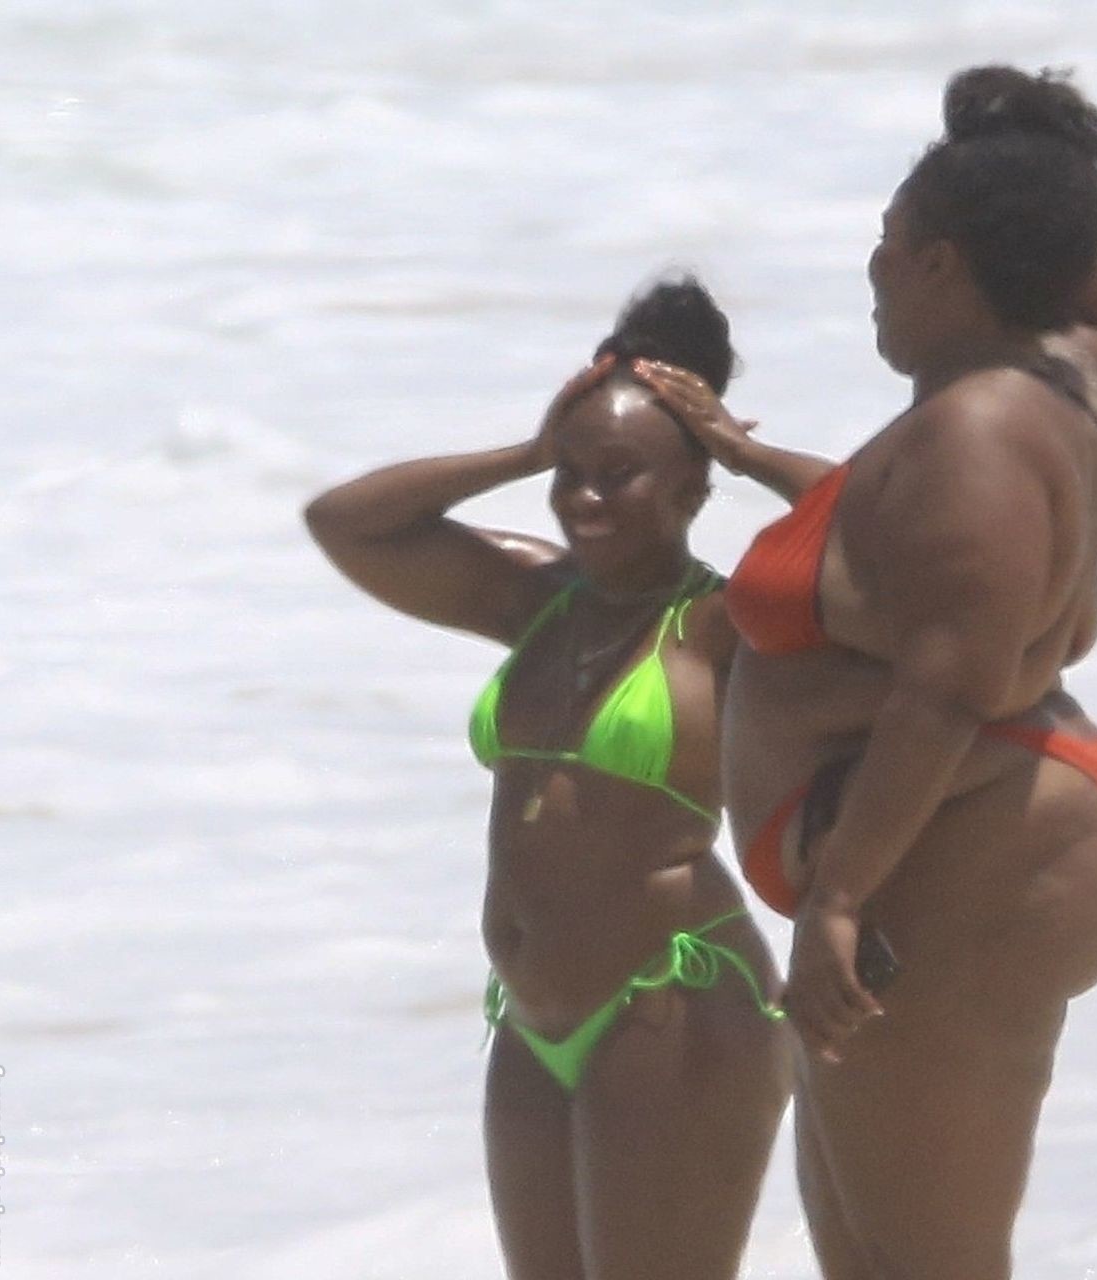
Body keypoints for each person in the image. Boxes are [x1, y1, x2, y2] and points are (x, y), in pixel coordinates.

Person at [637, 64, 1097, 1278]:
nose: (870, 270)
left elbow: (950, 685)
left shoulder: (977, 432)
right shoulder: (1074, 379)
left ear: (942, 263)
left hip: (958, 851)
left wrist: (837, 896)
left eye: (889, 243)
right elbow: (908, 544)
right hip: (941, 841)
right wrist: (1022, 156)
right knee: (871, 1254)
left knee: (925, 1259)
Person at [303, 278, 793, 1280]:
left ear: (693, 489)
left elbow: (885, 544)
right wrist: (526, 451)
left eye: (619, 475)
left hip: (672, 998)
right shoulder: (534, 597)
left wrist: (750, 455)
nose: (583, 499)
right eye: (570, 473)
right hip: (531, 1019)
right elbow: (344, 522)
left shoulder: (726, 623)